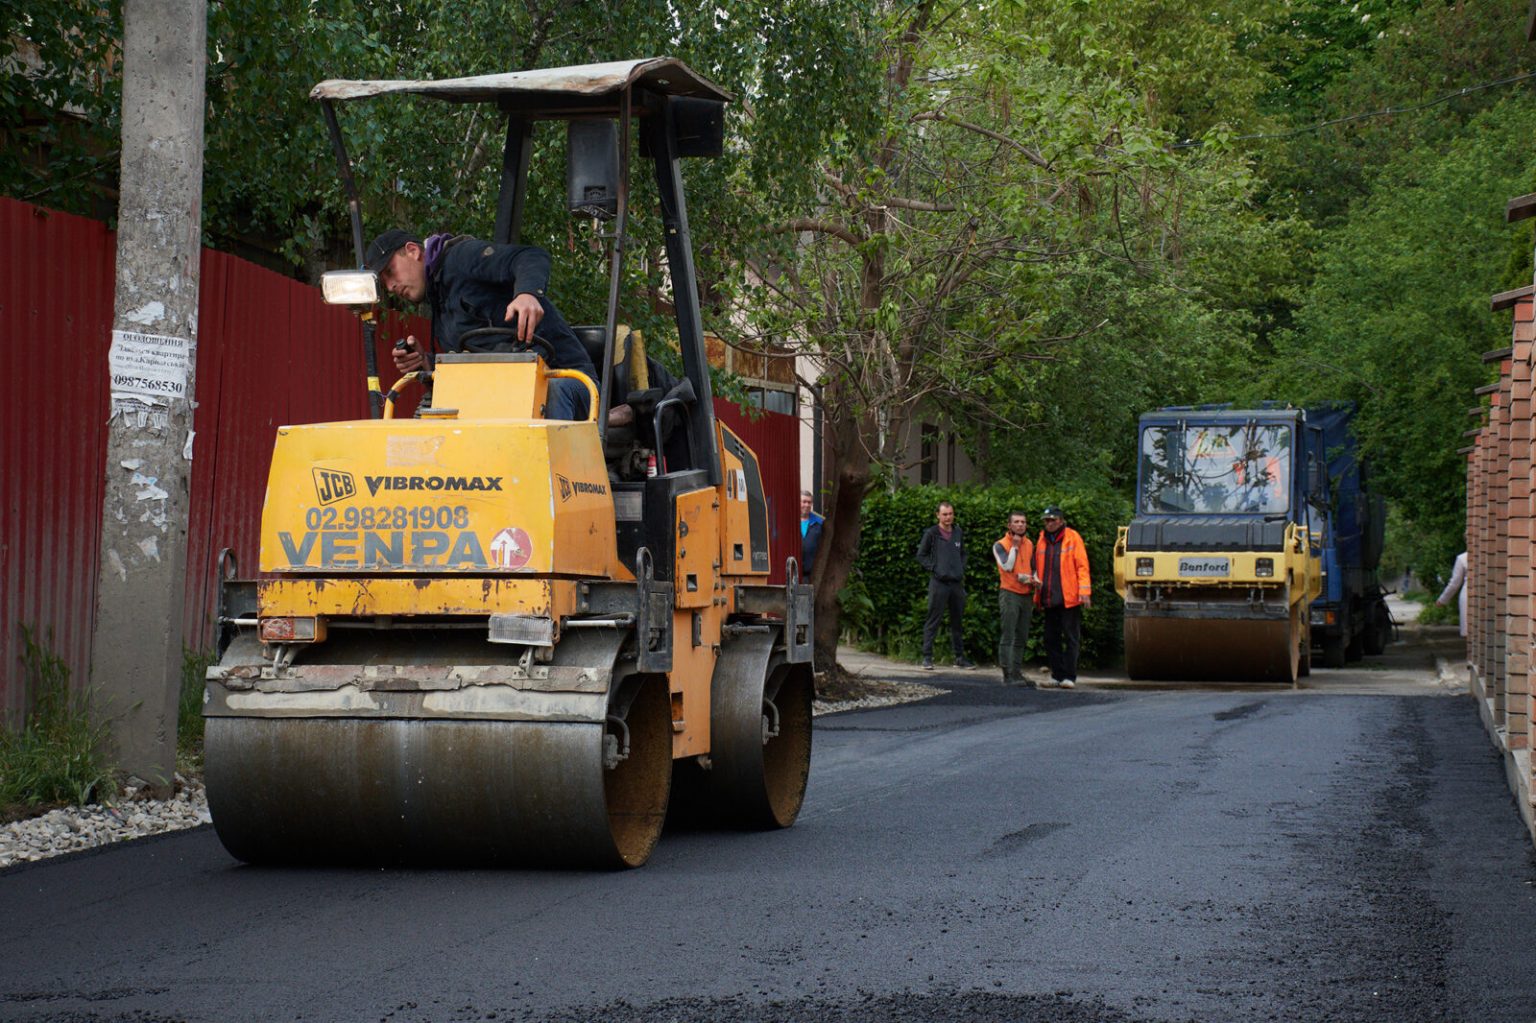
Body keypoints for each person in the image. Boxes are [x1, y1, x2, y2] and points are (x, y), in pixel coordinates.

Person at [366, 228, 596, 421]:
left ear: (413, 251)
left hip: (567, 381)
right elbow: (476, 360)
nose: (390, 287)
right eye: (384, 281)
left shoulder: (461, 258)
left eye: (390, 272)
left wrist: (527, 293)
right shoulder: (439, 298)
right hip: (506, 393)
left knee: (551, 392)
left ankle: (553, 474)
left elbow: (530, 256)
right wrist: (426, 361)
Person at [1033, 506, 1091, 689]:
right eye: (1046, 520)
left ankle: (1069, 676)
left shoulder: (1073, 537)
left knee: (1071, 638)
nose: (1049, 523)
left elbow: (1082, 566)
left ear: (1061, 521)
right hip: (1049, 597)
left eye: (1052, 520)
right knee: (1051, 639)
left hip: (1069, 597)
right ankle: (1057, 675)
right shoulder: (1042, 539)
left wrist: (1084, 592)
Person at [916, 501, 974, 670]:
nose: (948, 517)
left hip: (956, 583)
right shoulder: (932, 533)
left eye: (950, 514)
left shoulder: (958, 532)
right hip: (939, 583)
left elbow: (963, 553)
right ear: (938, 515)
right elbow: (921, 555)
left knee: (957, 621)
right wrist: (935, 569)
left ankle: (959, 657)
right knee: (933, 620)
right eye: (945, 514)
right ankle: (927, 657)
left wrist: (960, 567)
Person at [993, 511, 1037, 687]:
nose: (1020, 525)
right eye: (1016, 522)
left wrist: (1035, 579)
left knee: (1022, 636)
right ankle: (1007, 674)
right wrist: (1015, 546)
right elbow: (1007, 565)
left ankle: (1017, 672)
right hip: (1010, 593)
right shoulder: (1000, 545)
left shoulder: (1030, 544)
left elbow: (1033, 568)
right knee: (1009, 634)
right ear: (1009, 526)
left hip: (1026, 593)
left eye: (1023, 522)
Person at [1437, 550, 1468, 638]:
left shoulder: (1462, 558)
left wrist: (1442, 599)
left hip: (1467, 596)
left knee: (1469, 632)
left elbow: (1455, 583)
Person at [800, 490, 824, 576]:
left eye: (809, 502)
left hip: (812, 573)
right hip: (793, 572)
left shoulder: (820, 523)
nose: (807, 505)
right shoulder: (791, 522)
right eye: (804, 502)